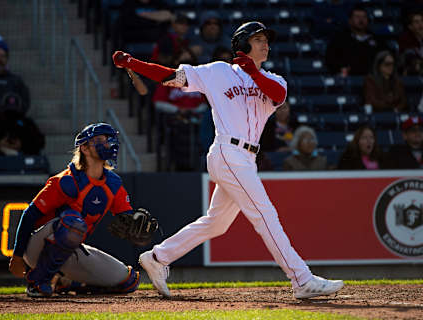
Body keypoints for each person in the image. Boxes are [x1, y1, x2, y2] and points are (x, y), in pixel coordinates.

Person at [112, 21, 344, 299]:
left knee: (216, 223)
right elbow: (171, 76)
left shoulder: (275, 80)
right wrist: (134, 63)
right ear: (243, 44)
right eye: (258, 39)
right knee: (265, 214)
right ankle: (302, 279)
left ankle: (158, 257)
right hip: (227, 152)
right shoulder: (219, 72)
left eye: (266, 40)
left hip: (246, 158)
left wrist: (252, 72)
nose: (265, 44)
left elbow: (278, 95)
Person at [8, 123, 148, 297]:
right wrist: (18, 255)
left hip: (71, 251)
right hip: (38, 248)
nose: (107, 145)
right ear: (85, 148)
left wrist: (135, 225)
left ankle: (67, 283)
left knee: (129, 281)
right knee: (73, 223)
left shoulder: (113, 184)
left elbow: (125, 217)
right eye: (99, 140)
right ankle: (38, 280)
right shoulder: (65, 180)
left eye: (107, 140)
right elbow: (29, 215)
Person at [325, 5, 386, 76]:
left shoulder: (377, 40)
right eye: (357, 17)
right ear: (350, 20)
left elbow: (385, 57)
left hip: (372, 79)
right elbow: (331, 59)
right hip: (349, 78)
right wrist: (340, 69)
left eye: (364, 17)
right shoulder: (340, 39)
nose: (361, 20)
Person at [398, 11, 423, 76]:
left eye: (422, 21)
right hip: (413, 72)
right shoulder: (405, 39)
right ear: (410, 26)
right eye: (417, 22)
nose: (421, 24)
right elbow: (410, 59)